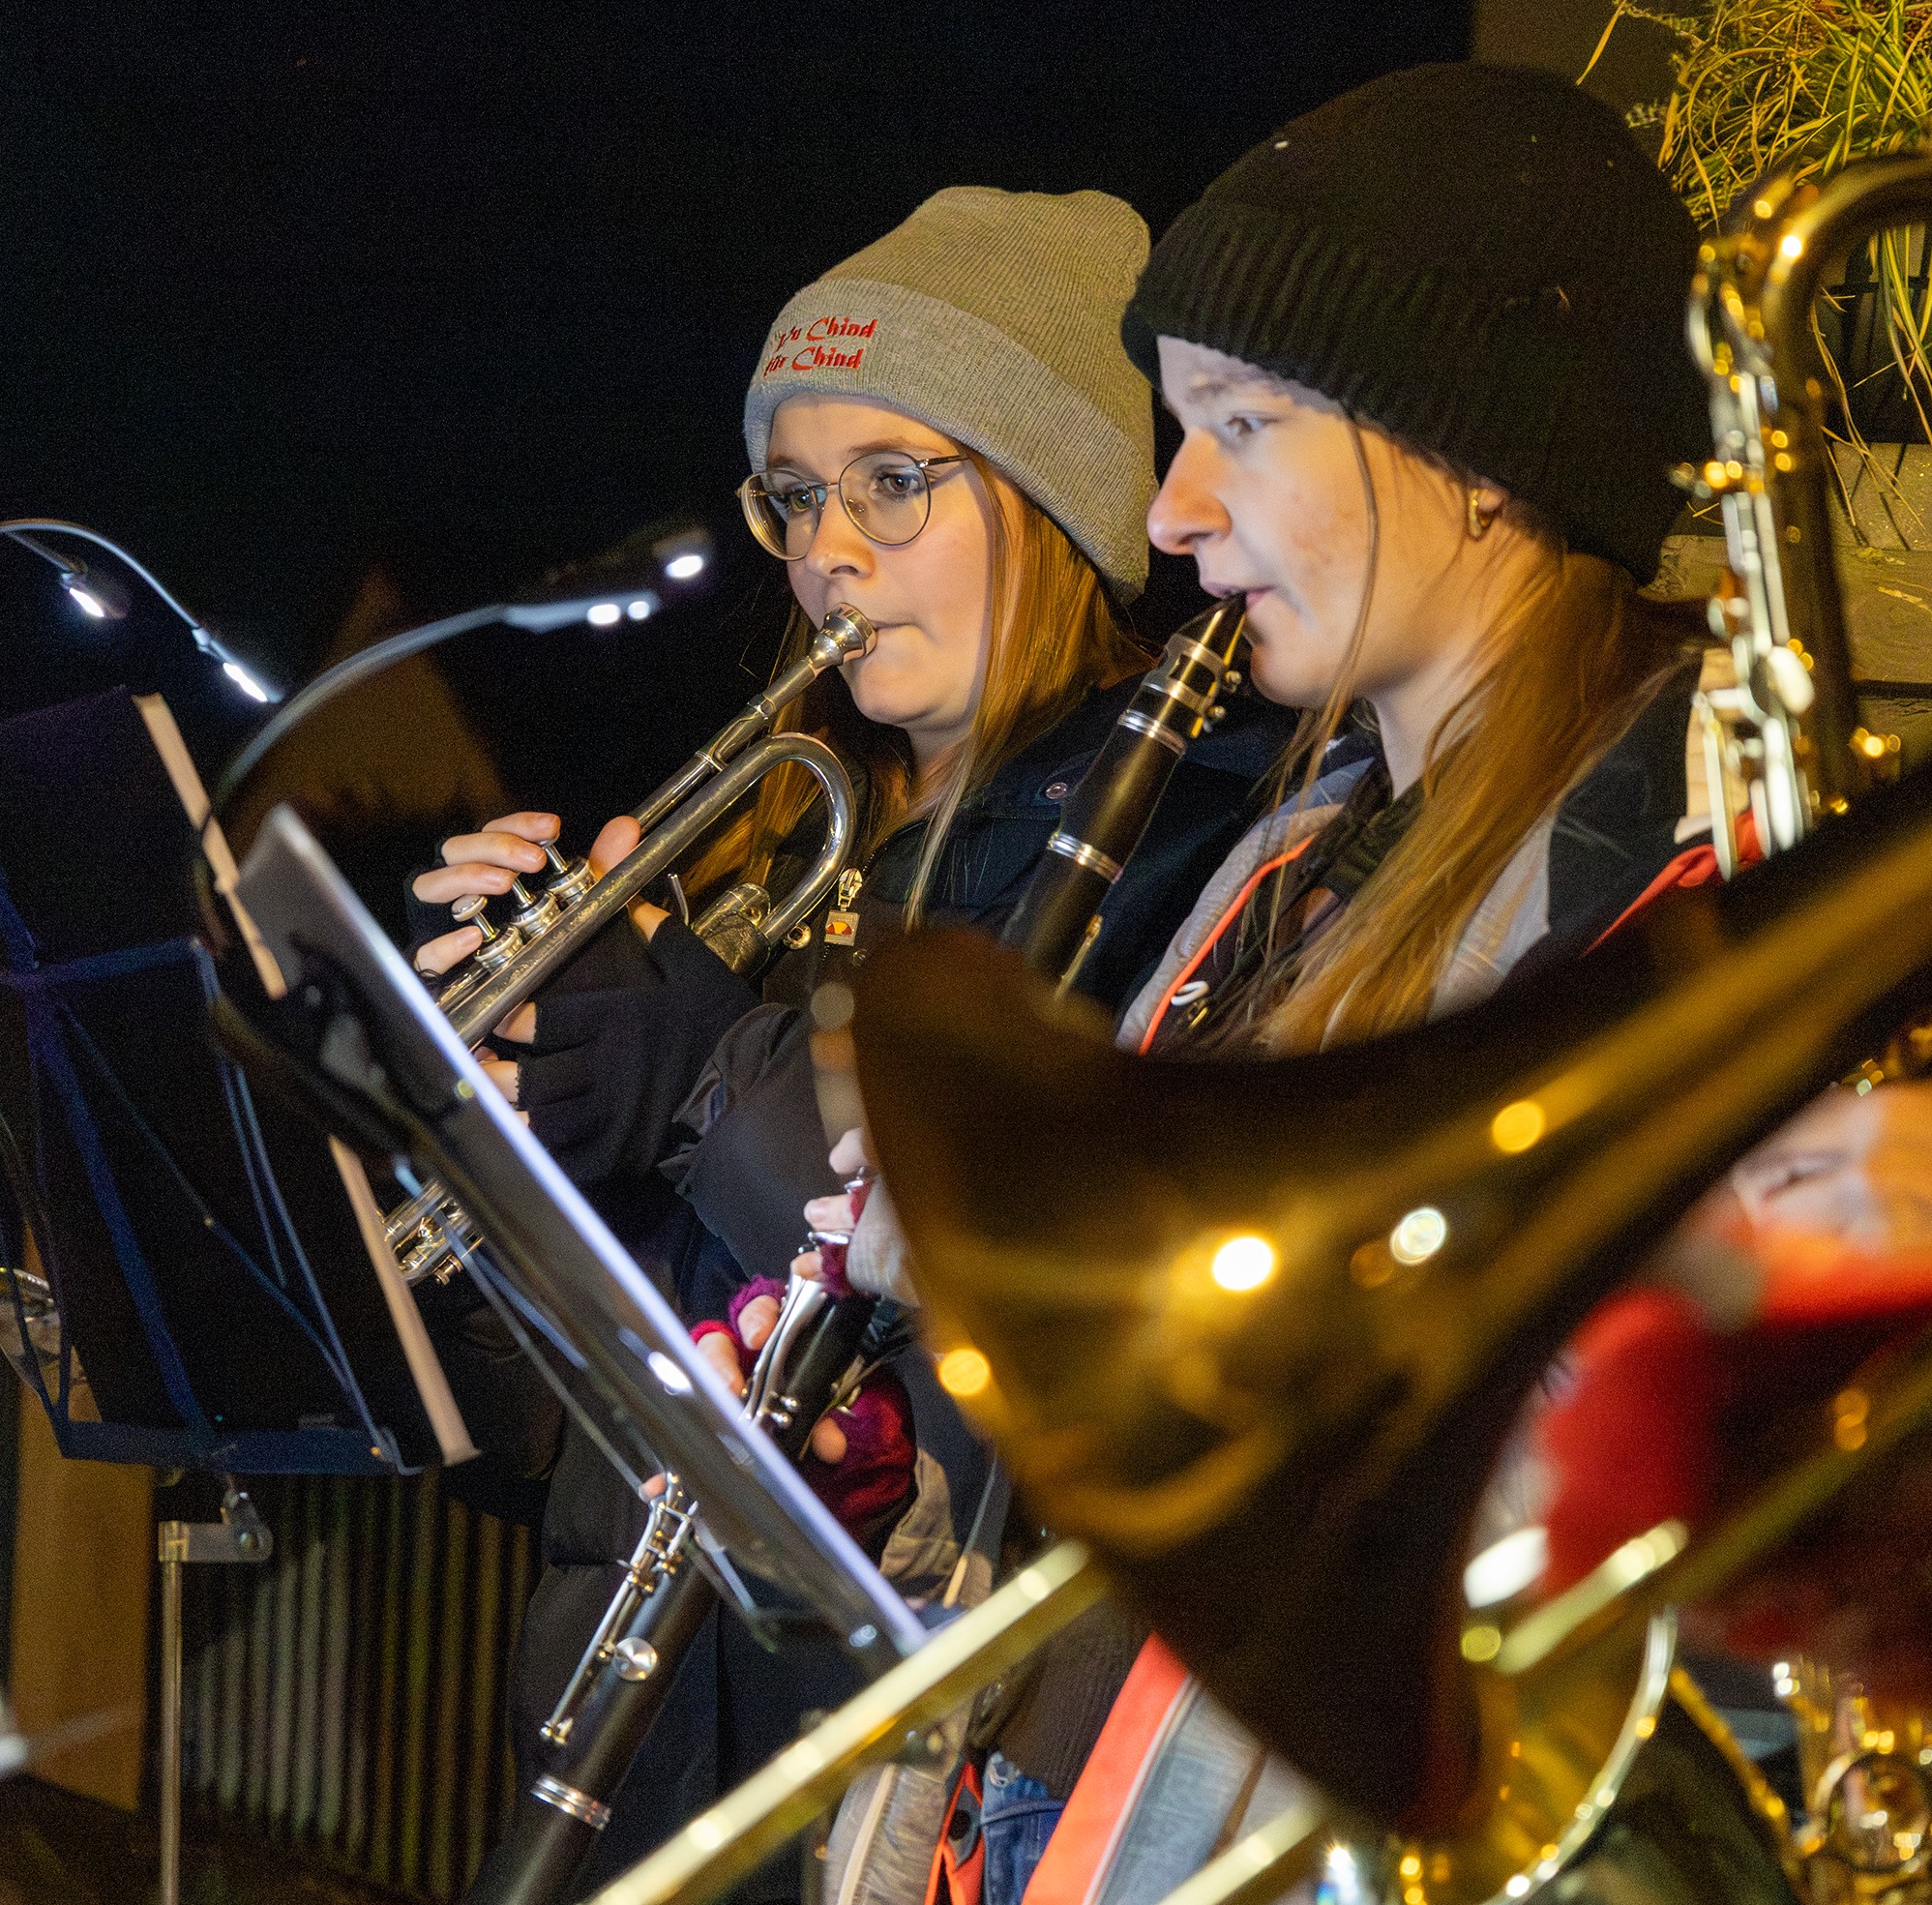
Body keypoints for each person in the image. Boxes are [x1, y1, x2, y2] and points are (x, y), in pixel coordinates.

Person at [797, 65, 1932, 1905]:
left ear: (1471, 455)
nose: (1170, 514)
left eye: (1240, 421)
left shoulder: (1690, 877)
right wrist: (958, 1376)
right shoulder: (1287, 866)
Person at [409, 185, 1283, 1903]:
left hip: (889, 1773)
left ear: (1060, 495)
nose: (828, 551)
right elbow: (557, 1442)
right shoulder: (779, 843)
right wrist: (494, 1147)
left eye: (894, 482)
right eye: (796, 498)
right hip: (642, 1742)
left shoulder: (1185, 846)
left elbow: (990, 1300)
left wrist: (690, 1070)